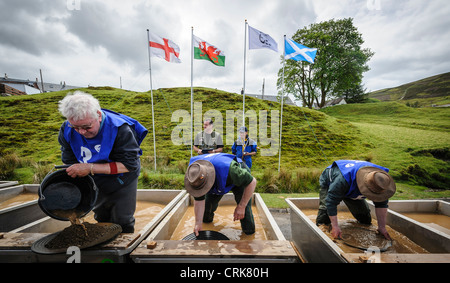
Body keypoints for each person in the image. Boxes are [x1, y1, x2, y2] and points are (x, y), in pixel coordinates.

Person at [57, 91, 148, 233]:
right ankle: (107, 250)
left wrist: (90, 167)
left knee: (123, 219)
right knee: (101, 217)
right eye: (76, 127)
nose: (81, 132)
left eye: (87, 127)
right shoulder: (66, 130)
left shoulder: (120, 129)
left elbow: (128, 165)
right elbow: (70, 160)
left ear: (98, 116)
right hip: (94, 178)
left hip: (122, 178)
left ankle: (124, 251)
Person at [317, 160, 396, 240]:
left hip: (350, 186)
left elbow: (381, 205)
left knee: (365, 220)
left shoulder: (380, 182)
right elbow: (331, 202)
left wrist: (382, 227)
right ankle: (320, 234)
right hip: (331, 181)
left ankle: (348, 197)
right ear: (364, 187)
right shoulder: (342, 181)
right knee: (324, 214)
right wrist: (335, 227)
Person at [184, 153, 257, 236]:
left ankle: (249, 233)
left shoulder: (232, 171)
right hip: (218, 178)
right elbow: (199, 201)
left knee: (244, 213)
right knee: (207, 210)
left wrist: (242, 206)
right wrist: (197, 223)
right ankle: (206, 222)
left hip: (236, 178)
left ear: (210, 180)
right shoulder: (195, 175)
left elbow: (252, 182)